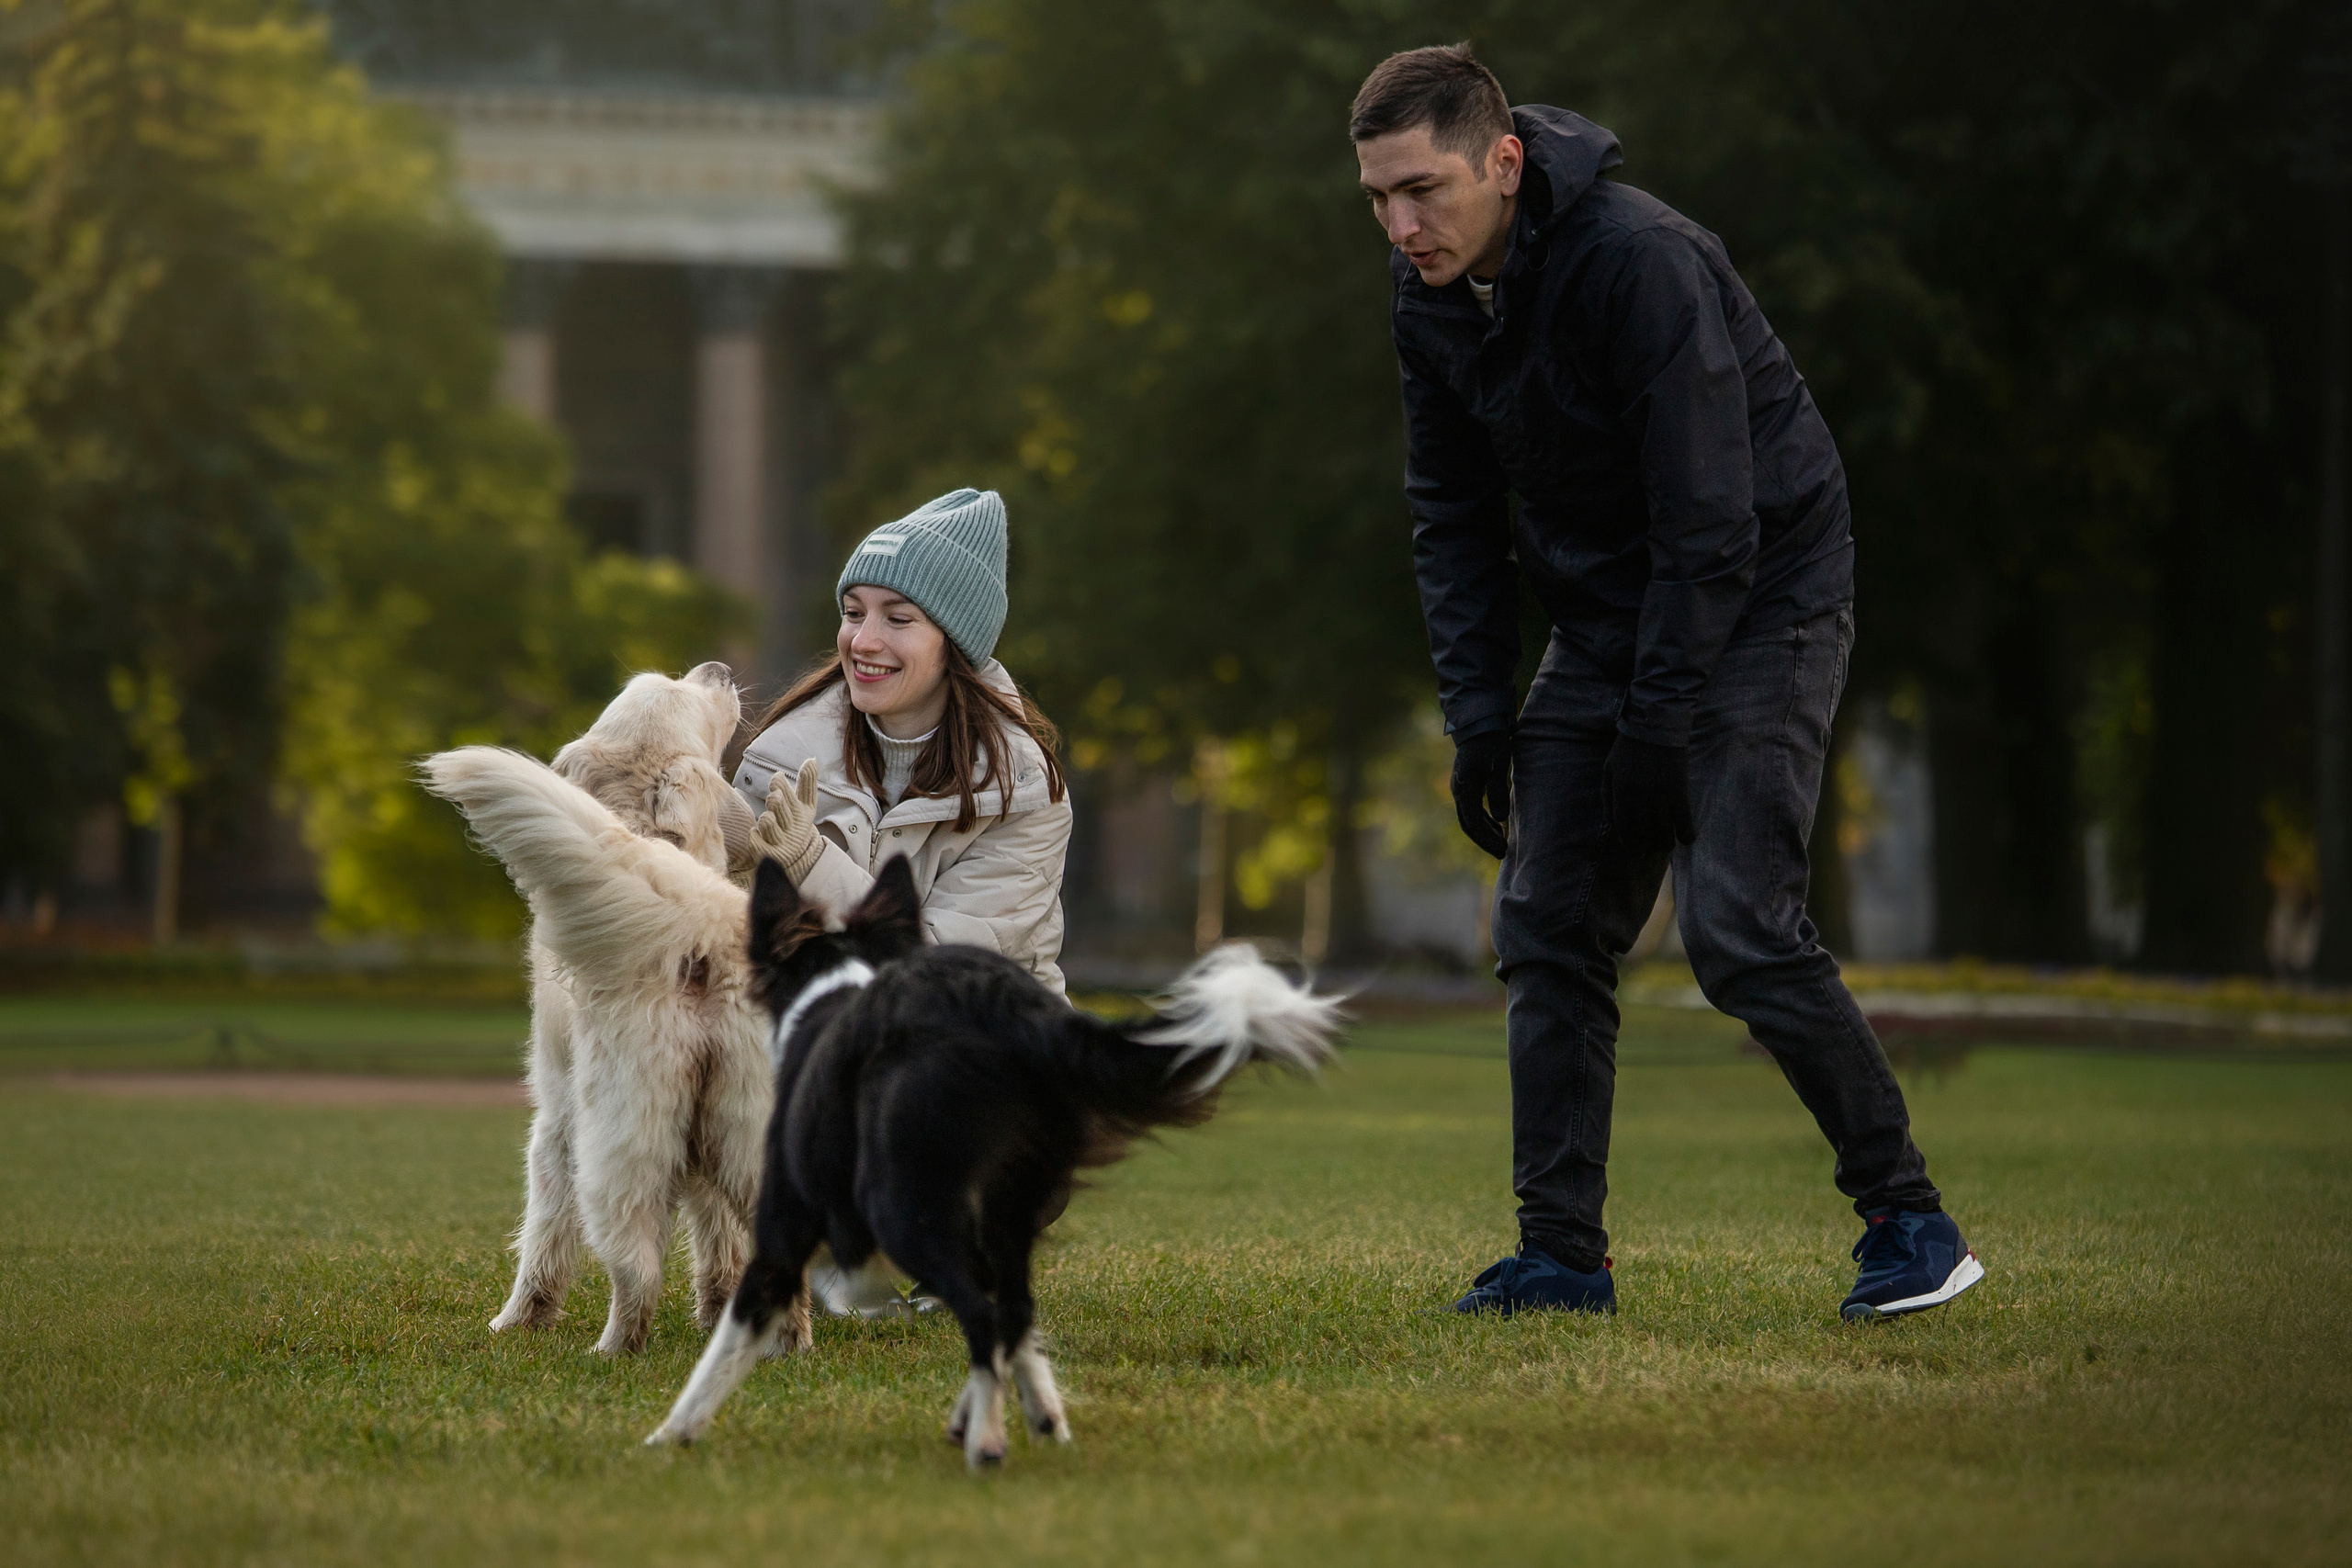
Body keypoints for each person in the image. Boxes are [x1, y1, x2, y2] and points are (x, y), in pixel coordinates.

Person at [1351, 45, 1982, 1322]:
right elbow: (1455, 518)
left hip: (1760, 593)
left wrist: (1657, 721)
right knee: (1547, 922)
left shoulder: (1642, 261)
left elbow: (1713, 516)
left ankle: (1912, 1223)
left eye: (1422, 188)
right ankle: (1561, 1259)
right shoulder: (1428, 305)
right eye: (1376, 197)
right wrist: (1479, 715)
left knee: (1739, 923)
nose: (1401, 223)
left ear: (1504, 162)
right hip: (1606, 612)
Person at [733, 488, 1072, 995]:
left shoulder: (1022, 793)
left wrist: (810, 864)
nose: (863, 641)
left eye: (898, 618)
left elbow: (932, 974)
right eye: (853, 612)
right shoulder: (778, 760)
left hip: (981, 1053)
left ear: (955, 644)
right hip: (820, 1049)